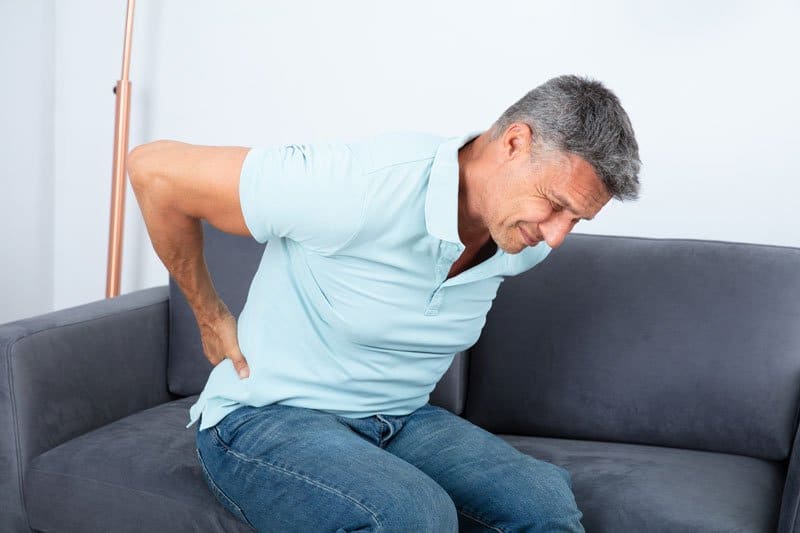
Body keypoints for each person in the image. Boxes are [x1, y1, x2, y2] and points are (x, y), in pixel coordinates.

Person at [127, 74, 641, 532]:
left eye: (575, 220)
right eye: (556, 205)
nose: (556, 237)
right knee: (411, 515)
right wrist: (209, 311)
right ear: (514, 142)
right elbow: (154, 170)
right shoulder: (358, 185)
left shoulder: (520, 241)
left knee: (542, 500)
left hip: (400, 418)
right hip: (267, 419)